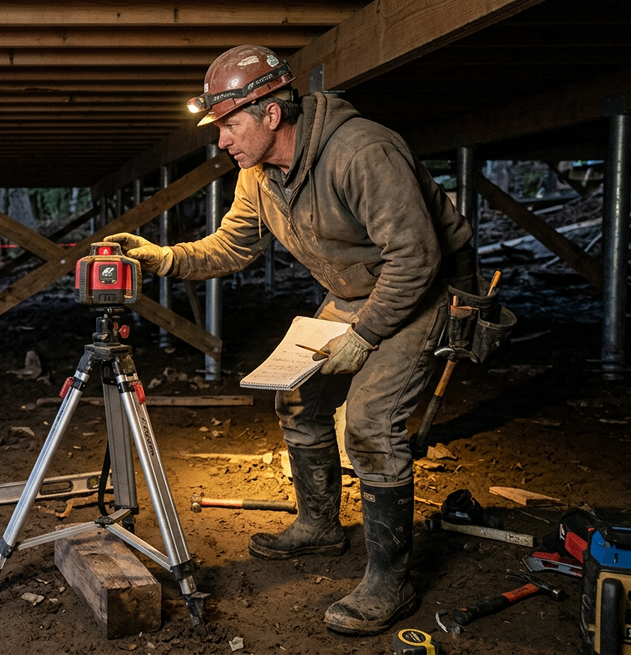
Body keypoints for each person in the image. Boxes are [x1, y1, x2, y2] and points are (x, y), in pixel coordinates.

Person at [108, 44, 476, 636]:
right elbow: (233, 245)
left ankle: (390, 580)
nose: (222, 140)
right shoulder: (257, 174)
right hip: (358, 289)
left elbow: (415, 258)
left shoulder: (363, 151)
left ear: (271, 115)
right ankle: (319, 525)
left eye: (230, 124)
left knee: (371, 422)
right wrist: (164, 259)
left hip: (423, 291)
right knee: (299, 396)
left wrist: (366, 334)